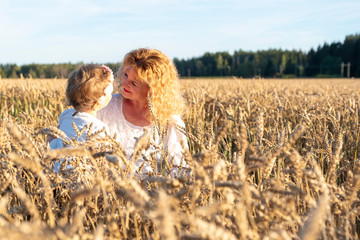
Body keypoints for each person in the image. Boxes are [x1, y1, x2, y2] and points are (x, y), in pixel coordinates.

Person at [97, 48, 189, 177]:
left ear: (153, 90)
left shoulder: (170, 122)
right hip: (109, 191)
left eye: (134, 83)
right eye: (126, 75)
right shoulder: (106, 106)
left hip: (152, 193)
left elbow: (180, 169)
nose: (125, 83)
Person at [49, 64, 114, 150]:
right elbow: (104, 156)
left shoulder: (65, 114)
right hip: (82, 162)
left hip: (58, 159)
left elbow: (54, 133)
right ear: (96, 104)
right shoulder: (100, 128)